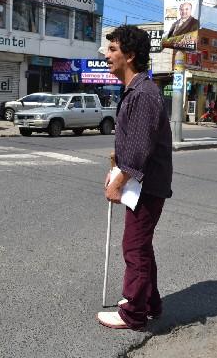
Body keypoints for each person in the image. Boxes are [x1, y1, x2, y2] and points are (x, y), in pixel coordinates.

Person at [96, 25, 173, 330]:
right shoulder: (136, 90)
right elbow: (134, 142)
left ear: (129, 55)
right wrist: (116, 164)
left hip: (145, 185)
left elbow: (140, 148)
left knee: (134, 247)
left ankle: (134, 314)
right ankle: (150, 304)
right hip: (141, 182)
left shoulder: (143, 93)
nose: (107, 56)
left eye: (113, 50)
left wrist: (118, 182)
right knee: (141, 245)